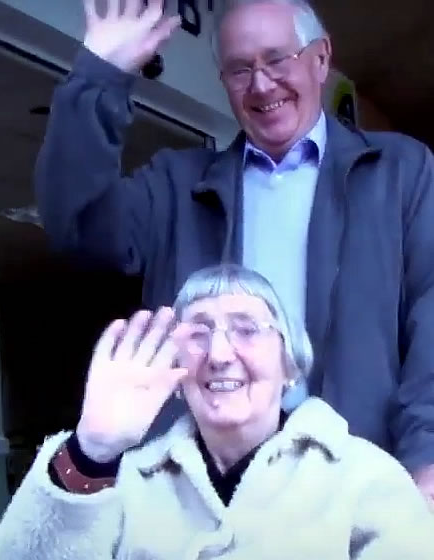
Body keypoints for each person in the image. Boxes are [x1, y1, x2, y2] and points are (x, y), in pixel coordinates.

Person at [35, 0, 434, 499]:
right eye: (240, 69)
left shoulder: (402, 172)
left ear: (320, 58)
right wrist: (99, 76)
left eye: (277, 60)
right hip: (206, 494)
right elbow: (76, 226)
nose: (262, 84)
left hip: (357, 485)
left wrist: (427, 462)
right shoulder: (179, 185)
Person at [0, 265, 433, 560]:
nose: (219, 353)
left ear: (290, 365)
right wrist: (91, 450)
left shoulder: (366, 477)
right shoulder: (126, 482)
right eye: (198, 332)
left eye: (246, 329)